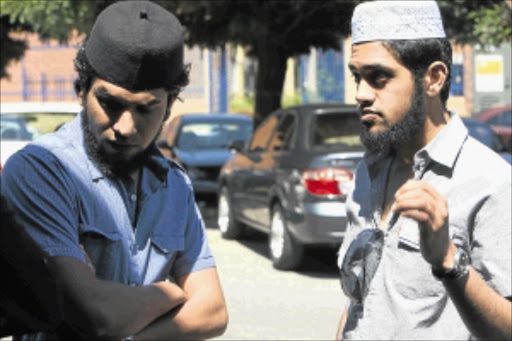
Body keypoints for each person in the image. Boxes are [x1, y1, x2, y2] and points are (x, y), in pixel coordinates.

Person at [1, 1, 228, 339]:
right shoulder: (41, 172)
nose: (125, 126)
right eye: (110, 103)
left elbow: (213, 312)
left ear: (169, 107)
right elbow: (97, 316)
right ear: (81, 92)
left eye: (146, 109)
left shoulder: (175, 183)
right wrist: (172, 293)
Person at [336, 1, 511, 339]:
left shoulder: (490, 181)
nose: (360, 94)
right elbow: (360, 303)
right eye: (357, 77)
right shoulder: (367, 171)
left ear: (433, 78)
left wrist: (448, 259)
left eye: (378, 78)